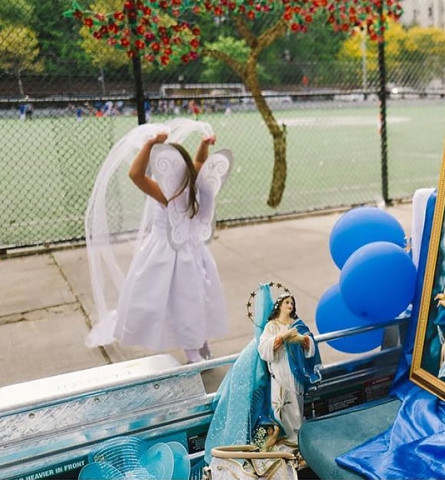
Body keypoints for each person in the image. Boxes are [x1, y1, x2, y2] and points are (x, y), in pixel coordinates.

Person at [110, 132, 232, 363]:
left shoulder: (168, 194)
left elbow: (135, 174)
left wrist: (149, 144)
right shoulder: (195, 186)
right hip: (193, 252)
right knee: (195, 299)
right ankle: (200, 344)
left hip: (167, 255)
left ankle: (193, 354)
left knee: (176, 303)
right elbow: (199, 164)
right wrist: (203, 145)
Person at [258, 292, 320, 444]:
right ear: (279, 305)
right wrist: (283, 337)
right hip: (279, 368)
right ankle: (284, 434)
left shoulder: (297, 324)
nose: (290, 305)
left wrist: (303, 340)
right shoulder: (271, 326)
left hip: (295, 370)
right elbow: (264, 348)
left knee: (295, 401)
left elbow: (310, 344)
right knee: (279, 403)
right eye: (287, 302)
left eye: (292, 303)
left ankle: (297, 434)